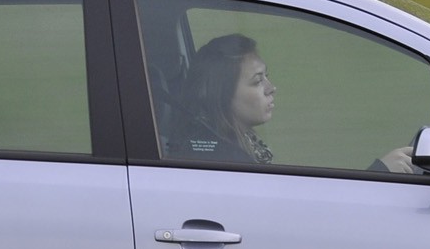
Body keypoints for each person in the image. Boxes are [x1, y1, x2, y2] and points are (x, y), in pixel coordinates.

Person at [173, 33, 417, 174]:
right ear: (222, 94)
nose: (272, 88)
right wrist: (379, 173)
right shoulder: (222, 161)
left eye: (267, 76)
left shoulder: (231, 144)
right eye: (258, 81)